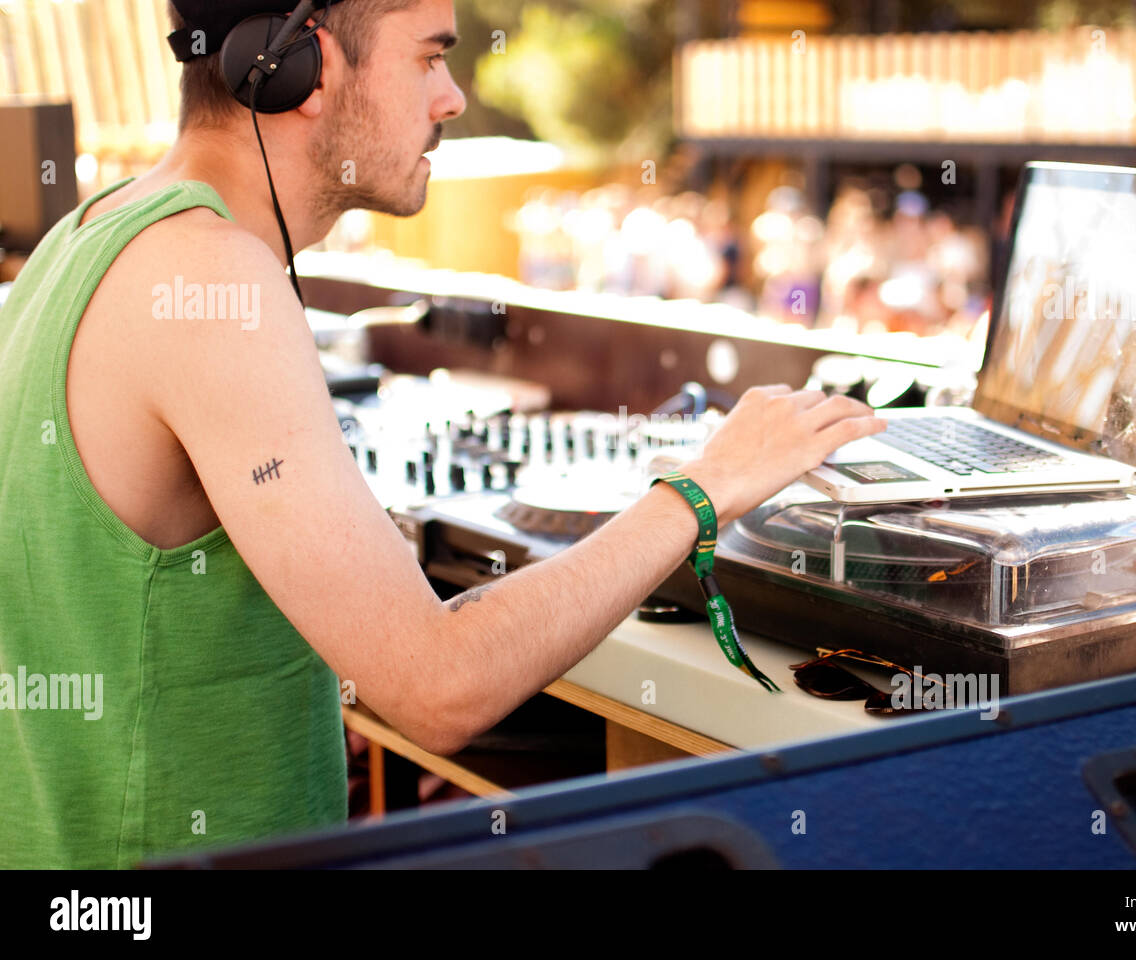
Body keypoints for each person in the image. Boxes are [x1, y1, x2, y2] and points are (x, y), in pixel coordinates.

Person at [0, 0, 885, 868]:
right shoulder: (210, 277)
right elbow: (437, 688)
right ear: (300, 66)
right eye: (428, 56)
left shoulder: (88, 235)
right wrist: (704, 487)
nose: (453, 96)